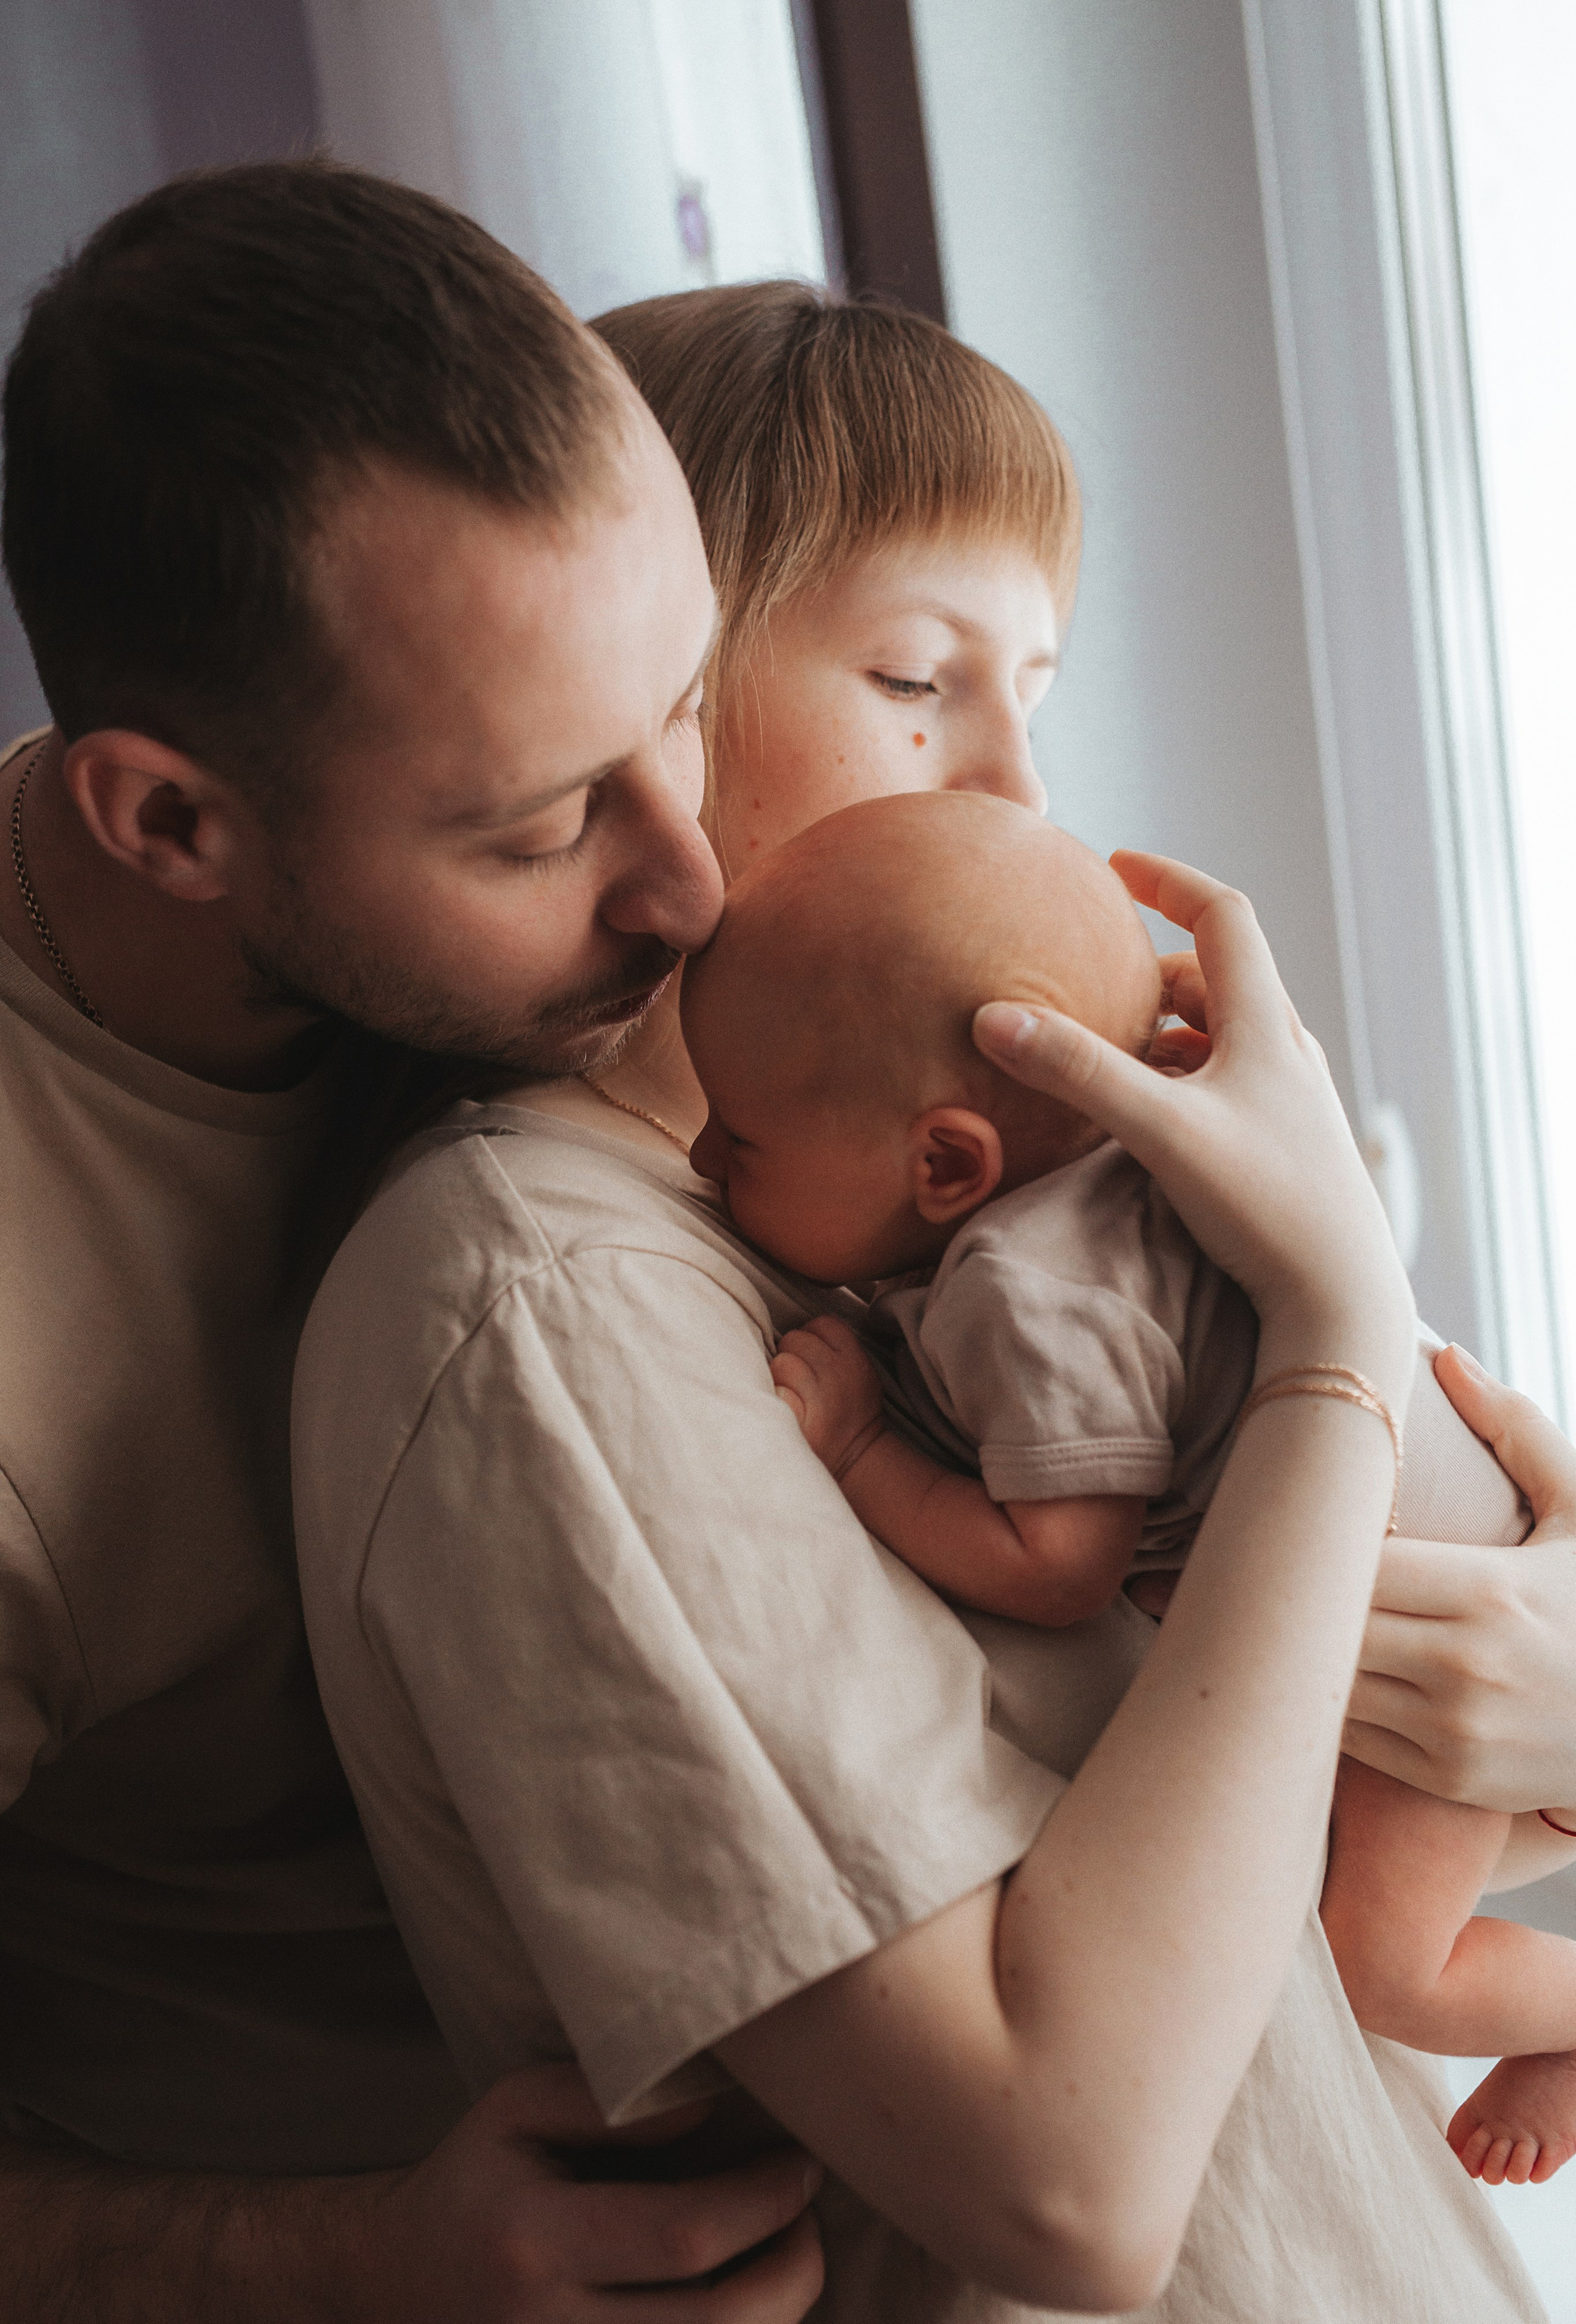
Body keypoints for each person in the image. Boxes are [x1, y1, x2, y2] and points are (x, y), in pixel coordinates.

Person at [293, 285, 1551, 2317]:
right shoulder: (549, 1296)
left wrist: (1540, 1673)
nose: (1019, 788)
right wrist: (1327, 1334)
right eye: (914, 677)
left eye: (1036, 684)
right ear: (656, 675)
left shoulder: (905, 1243)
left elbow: (1233, 1872)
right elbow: (1072, 2184)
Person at [0, 164, 824, 2321]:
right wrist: (360, 2261)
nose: (695, 883)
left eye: (687, 705)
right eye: (547, 825)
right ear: (169, 822)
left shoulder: (591, 858)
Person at [680, 785, 1576, 2190]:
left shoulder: (1018, 1285)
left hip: (1449, 1611)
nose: (695, 1159)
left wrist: (860, 1452)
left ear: (942, 1163)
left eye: (739, 1139)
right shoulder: (1140, 1151)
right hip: (1479, 1561)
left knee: (1379, 1969)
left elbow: (1059, 1568)